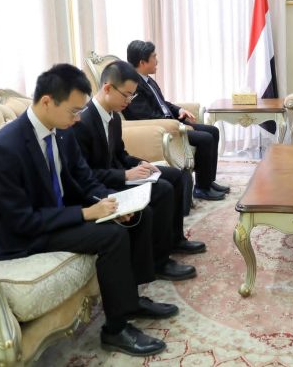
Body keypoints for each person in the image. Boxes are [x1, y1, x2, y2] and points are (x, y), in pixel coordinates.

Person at [0, 64, 176, 357]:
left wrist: (113, 203)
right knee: (111, 237)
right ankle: (115, 330)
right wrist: (85, 214)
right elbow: (21, 220)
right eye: (74, 111)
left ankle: (131, 301)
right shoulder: (7, 147)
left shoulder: (62, 131)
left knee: (138, 216)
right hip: (20, 233)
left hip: (54, 211)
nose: (79, 118)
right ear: (47, 102)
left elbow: (83, 179)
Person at [73, 60, 206, 281]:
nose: (129, 101)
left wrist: (141, 164)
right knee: (162, 189)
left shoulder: (113, 116)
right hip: (103, 185)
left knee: (176, 175)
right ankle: (159, 262)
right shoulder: (82, 122)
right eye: (126, 95)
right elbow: (85, 174)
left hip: (118, 174)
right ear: (108, 88)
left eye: (132, 96)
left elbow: (121, 154)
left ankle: (175, 240)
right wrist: (125, 175)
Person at [122, 40, 230, 201]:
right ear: (142, 62)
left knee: (213, 131)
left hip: (173, 123)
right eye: (154, 57)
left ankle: (208, 181)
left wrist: (179, 110)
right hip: (164, 130)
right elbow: (144, 116)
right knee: (205, 138)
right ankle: (201, 189)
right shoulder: (133, 85)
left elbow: (162, 103)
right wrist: (175, 124)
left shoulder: (148, 80)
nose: (157, 61)